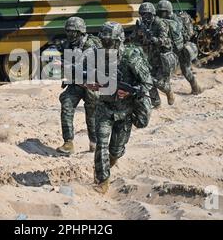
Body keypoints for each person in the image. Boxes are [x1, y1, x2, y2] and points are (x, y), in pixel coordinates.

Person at [93, 21, 153, 194]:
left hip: (125, 111)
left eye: (109, 41)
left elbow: (147, 83)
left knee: (115, 151)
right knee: (101, 146)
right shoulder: (97, 56)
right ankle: (102, 181)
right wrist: (90, 83)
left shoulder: (131, 57)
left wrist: (129, 93)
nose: (105, 44)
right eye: (103, 41)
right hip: (104, 108)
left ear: (118, 41)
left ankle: (108, 165)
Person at [56, 17, 102, 155]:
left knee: (92, 115)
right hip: (77, 83)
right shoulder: (69, 45)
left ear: (80, 32)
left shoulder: (92, 45)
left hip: (92, 85)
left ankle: (94, 143)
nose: (69, 34)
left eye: (72, 32)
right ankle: (68, 143)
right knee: (66, 105)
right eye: (68, 31)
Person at [131, 2, 176, 108]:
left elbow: (165, 39)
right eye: (142, 14)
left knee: (158, 82)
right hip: (147, 57)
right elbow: (134, 39)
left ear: (152, 14)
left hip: (160, 57)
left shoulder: (159, 23)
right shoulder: (141, 25)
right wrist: (137, 36)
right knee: (147, 80)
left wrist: (155, 39)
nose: (145, 17)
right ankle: (156, 102)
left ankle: (168, 90)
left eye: (147, 14)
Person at [157, 0, 202, 95]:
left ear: (168, 11)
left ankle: (196, 88)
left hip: (181, 50)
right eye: (160, 12)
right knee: (167, 71)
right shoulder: (167, 20)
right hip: (172, 50)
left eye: (163, 11)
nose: (161, 14)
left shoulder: (174, 20)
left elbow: (173, 27)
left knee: (185, 70)